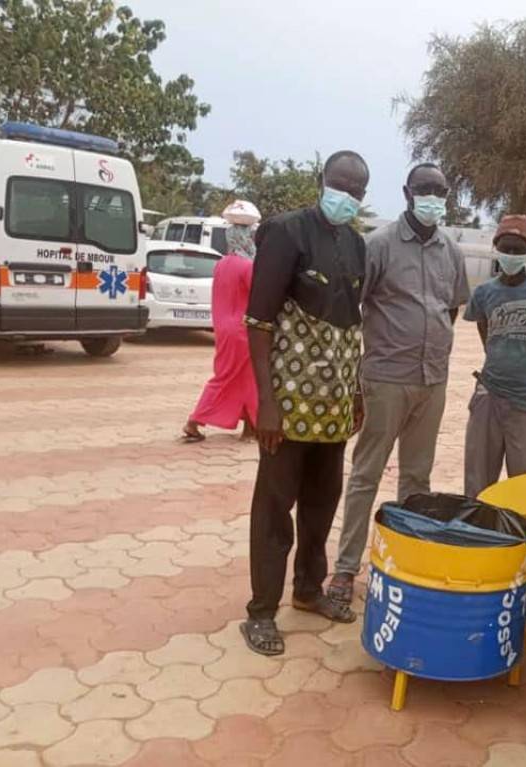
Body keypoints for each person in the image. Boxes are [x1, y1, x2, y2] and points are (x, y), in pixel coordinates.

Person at [239, 151, 369, 656]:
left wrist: (355, 392)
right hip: (288, 404)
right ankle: (261, 611)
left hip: (334, 405)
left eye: (357, 190)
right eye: (341, 185)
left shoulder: (356, 244)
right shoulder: (286, 232)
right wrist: (265, 402)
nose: (347, 196)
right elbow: (259, 322)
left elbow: (351, 324)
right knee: (275, 507)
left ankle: (309, 590)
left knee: (322, 502)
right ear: (323, 182)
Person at [327, 163, 470, 607]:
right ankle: (346, 571)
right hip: (386, 379)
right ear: (407, 193)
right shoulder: (379, 245)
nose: (432, 197)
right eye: (424, 189)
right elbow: (353, 309)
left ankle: (404, 564)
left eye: (440, 190)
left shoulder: (452, 250)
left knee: (417, 479)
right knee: (366, 475)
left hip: (433, 381)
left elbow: (450, 310)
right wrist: (355, 382)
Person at [462, 215, 526, 498]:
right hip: (489, 395)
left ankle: (522, 539)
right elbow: (487, 336)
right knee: (478, 484)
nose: (511, 255)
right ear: (496, 248)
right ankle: (479, 535)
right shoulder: (484, 293)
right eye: (506, 248)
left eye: (519, 249)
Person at [182, 200, 262, 443]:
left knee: (247, 378)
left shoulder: (222, 264)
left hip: (225, 328)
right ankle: (194, 420)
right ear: (247, 238)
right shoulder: (248, 267)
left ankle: (251, 427)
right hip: (242, 331)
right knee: (226, 377)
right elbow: (259, 298)